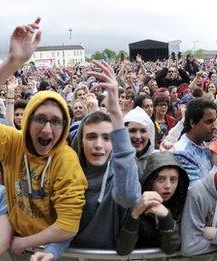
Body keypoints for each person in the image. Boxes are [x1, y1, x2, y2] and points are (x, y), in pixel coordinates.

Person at [0, 18, 87, 260]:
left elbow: (68, 226)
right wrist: (11, 63)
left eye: (56, 122)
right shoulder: (12, 142)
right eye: (40, 119)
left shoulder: (66, 162)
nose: (48, 131)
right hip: (18, 242)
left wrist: (26, 242)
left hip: (54, 247)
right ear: (26, 122)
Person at [69, 61, 141, 249]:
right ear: (80, 141)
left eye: (107, 138)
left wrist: (116, 113)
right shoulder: (66, 176)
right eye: (91, 137)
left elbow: (128, 197)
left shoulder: (121, 175)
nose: (99, 145)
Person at [116, 151, 189, 255]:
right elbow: (123, 249)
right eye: (160, 179)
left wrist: (166, 216)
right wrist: (134, 214)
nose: (168, 185)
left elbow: (171, 249)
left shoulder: (181, 204)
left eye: (173, 180)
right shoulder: (136, 201)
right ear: (150, 180)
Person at [173, 98, 217, 183]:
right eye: (209, 122)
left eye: (215, 122)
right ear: (192, 123)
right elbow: (197, 192)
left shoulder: (204, 143)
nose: (215, 127)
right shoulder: (182, 153)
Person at [124, 106, 156, 177]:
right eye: (132, 131)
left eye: (143, 131)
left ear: (150, 134)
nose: (138, 136)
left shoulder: (157, 159)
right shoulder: (116, 161)